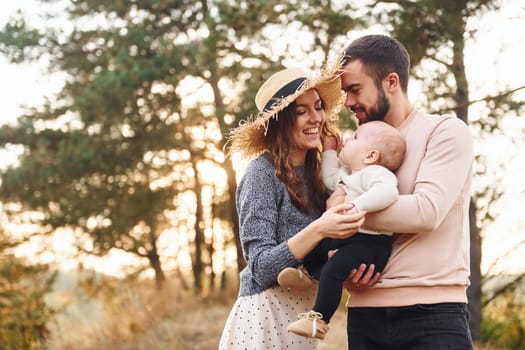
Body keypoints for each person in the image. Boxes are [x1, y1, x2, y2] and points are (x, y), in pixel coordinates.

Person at [335, 34, 474, 349]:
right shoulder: (355, 147)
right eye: (345, 92)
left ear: (391, 82)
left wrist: (341, 213)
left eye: (355, 89)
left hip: (434, 316)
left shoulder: (444, 132)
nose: (347, 102)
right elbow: (330, 214)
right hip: (364, 315)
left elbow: (425, 212)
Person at [219, 66, 369, 350]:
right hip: (264, 318)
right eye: (301, 111)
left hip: (303, 321)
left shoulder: (320, 173)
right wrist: (320, 227)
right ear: (279, 122)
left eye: (318, 107)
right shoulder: (261, 174)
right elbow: (261, 268)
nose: (316, 118)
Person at [285, 120, 406, 340]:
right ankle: (308, 275)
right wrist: (329, 151)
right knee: (316, 243)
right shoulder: (348, 174)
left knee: (333, 269)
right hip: (348, 238)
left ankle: (319, 320)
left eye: (356, 138)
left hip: (369, 245)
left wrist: (356, 205)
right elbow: (329, 178)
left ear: (371, 156)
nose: (349, 139)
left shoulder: (376, 173)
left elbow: (388, 193)